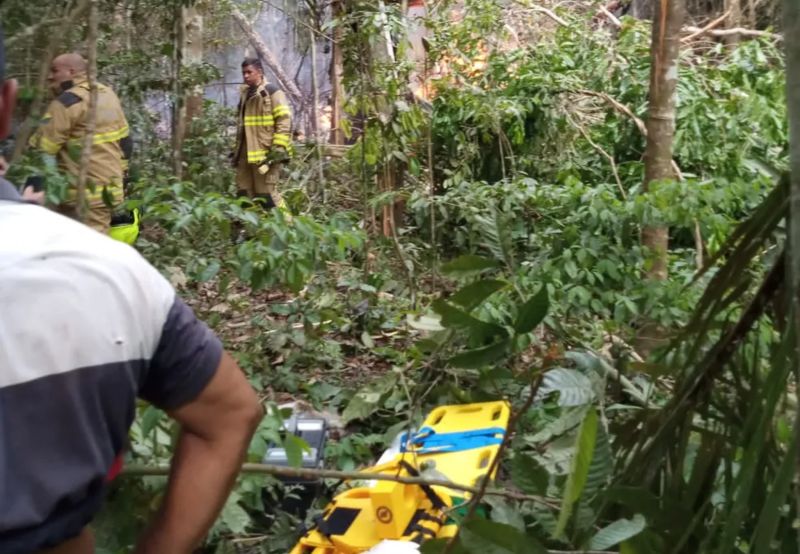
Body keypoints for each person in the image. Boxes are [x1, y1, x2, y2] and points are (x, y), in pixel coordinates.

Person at [0, 33, 263, 554]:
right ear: (5, 103)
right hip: (111, 186)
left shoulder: (71, 101)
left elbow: (47, 147)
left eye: (53, 77)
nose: (51, 84)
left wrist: (29, 174)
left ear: (66, 74)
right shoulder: (108, 95)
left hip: (90, 190)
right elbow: (232, 412)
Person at [28, 53, 135, 237]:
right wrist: (122, 182)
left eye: (55, 71)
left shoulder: (67, 103)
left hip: (80, 198)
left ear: (71, 72)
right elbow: (125, 142)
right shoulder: (108, 94)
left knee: (84, 251)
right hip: (110, 193)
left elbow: (41, 151)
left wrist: (34, 192)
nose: (50, 77)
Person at [232, 57, 292, 211]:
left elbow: (284, 122)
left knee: (268, 197)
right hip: (245, 155)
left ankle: (287, 230)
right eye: (243, 73)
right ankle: (250, 232)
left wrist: (278, 149)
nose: (245, 76)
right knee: (244, 195)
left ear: (259, 72)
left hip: (265, 156)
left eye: (249, 72)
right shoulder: (245, 94)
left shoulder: (273, 92)